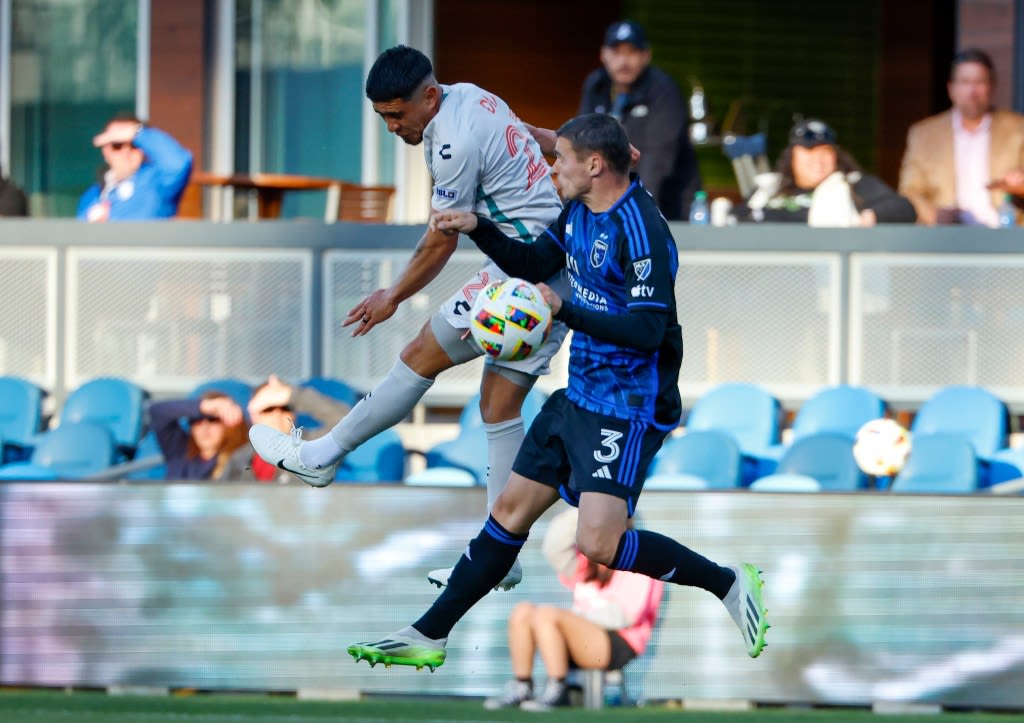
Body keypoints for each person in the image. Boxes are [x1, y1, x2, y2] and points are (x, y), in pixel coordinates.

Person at [346, 113, 768, 674]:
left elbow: (646, 330)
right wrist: (476, 225)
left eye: (560, 158)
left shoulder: (641, 230)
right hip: (579, 394)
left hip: (627, 406)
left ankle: (726, 583)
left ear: (594, 166)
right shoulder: (576, 210)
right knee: (509, 511)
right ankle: (430, 633)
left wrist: (564, 308)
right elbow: (529, 264)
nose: (552, 168)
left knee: (599, 544)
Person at [248, 45, 567, 591]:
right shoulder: (474, 95)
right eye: (383, 118)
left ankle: (321, 455)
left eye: (398, 114)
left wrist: (392, 294)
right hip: (551, 269)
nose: (393, 127)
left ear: (429, 96)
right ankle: (501, 557)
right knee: (499, 405)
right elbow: (529, 132)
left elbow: (440, 239)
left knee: (421, 354)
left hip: (526, 279)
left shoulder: (451, 143)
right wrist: (577, 150)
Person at [484, 507, 664, 712]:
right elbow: (553, 547)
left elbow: (625, 615)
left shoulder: (639, 560)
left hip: (618, 642)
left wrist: (575, 619)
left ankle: (558, 690)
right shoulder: (586, 561)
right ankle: (522, 686)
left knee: (547, 615)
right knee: (522, 611)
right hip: (582, 635)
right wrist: (587, 505)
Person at [578, 20, 700, 220]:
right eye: (616, 52)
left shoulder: (663, 90)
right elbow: (581, 146)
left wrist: (631, 213)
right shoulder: (596, 86)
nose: (623, 61)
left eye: (631, 52)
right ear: (603, 54)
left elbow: (656, 160)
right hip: (609, 206)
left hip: (666, 208)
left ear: (646, 56)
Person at [898, 48, 1024, 226]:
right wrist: (935, 215)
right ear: (951, 89)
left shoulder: (1018, 129)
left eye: (979, 82)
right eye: (965, 82)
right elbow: (909, 192)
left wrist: (1018, 185)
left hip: (1005, 233)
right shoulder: (924, 134)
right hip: (946, 236)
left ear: (991, 86)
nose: (972, 91)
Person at [734, 118, 916, 225]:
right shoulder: (769, 188)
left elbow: (905, 209)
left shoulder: (854, 185)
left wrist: (870, 216)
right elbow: (739, 217)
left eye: (825, 152)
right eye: (809, 152)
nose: (818, 161)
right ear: (793, 156)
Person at [220, 375, 351, 483]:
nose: (277, 415)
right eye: (268, 409)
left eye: (285, 408)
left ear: (293, 414)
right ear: (254, 416)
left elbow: (349, 426)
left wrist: (294, 396)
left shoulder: (311, 449)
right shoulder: (240, 459)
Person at [77, 115, 193, 222]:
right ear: (106, 152)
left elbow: (177, 164)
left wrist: (138, 133)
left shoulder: (156, 183)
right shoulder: (92, 195)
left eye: (134, 144)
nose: (126, 151)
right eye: (117, 145)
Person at [149, 391, 248, 480]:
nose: (204, 428)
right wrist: (204, 406)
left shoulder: (241, 459)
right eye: (196, 420)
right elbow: (157, 411)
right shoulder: (179, 449)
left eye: (212, 419)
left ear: (230, 423)